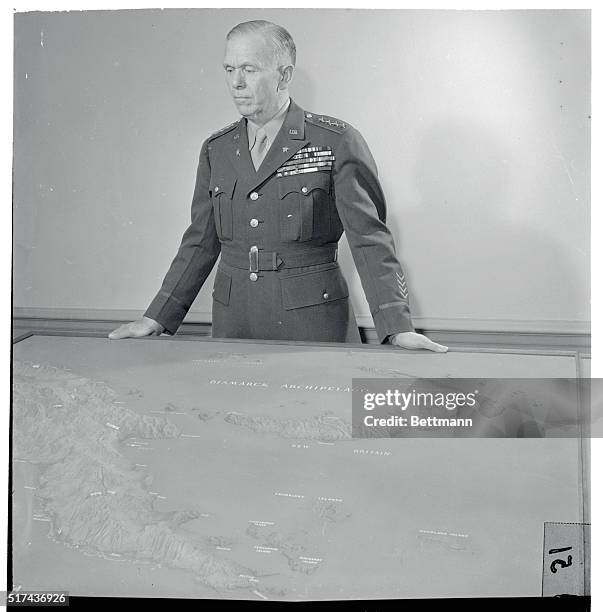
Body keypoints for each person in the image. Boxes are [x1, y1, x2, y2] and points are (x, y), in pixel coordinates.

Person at [109, 20, 447, 353]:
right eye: (229, 70)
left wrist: (397, 327)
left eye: (249, 69)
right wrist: (157, 317)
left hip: (313, 325)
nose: (236, 83)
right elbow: (200, 241)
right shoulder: (218, 149)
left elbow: (370, 242)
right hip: (233, 324)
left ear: (284, 75)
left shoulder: (335, 141)